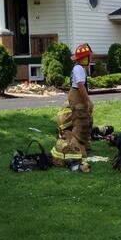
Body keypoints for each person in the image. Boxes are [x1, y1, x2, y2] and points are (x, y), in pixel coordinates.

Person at [51, 43, 94, 171]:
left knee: (85, 122)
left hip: (76, 97)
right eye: (89, 57)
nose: (90, 59)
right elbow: (80, 86)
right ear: (85, 58)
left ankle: (84, 147)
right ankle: (76, 152)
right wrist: (88, 101)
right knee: (81, 124)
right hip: (78, 98)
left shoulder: (78, 68)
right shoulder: (79, 69)